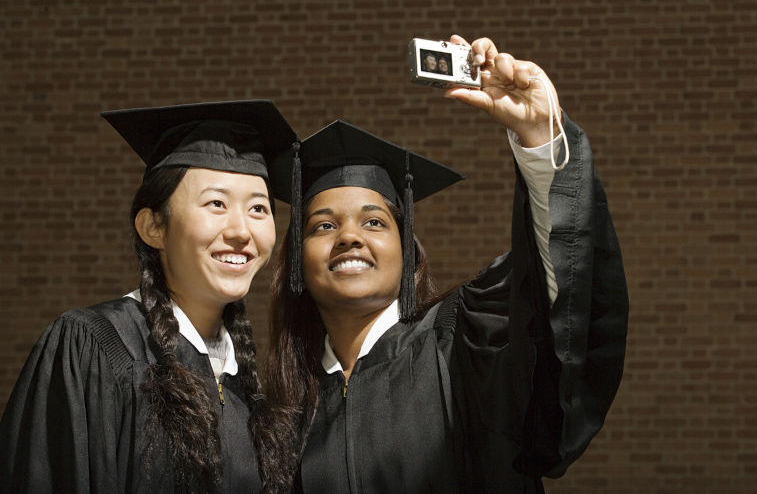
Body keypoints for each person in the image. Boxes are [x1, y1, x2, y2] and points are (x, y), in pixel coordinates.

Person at [265, 35, 628, 492]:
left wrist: (540, 137)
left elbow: (563, 297)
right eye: (322, 226)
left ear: (407, 250)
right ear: (296, 259)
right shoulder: (284, 411)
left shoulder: (466, 343)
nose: (350, 237)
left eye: (375, 222)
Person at [0, 100, 299, 493]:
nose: (241, 230)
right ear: (153, 226)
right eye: (216, 204)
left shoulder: (249, 386)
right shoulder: (94, 348)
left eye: (259, 208)